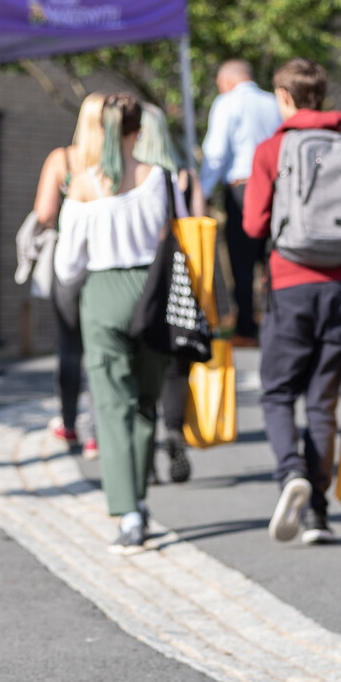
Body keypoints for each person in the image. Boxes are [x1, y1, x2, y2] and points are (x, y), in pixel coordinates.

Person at [243, 58, 341, 545]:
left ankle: (290, 475)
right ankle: (318, 516)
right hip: (338, 287)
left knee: (278, 392)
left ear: (283, 96)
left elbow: (255, 227)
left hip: (288, 284)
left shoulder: (271, 151)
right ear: (321, 96)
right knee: (322, 402)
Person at [54, 94, 170, 552]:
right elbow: (168, 233)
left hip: (103, 293)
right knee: (145, 400)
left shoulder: (83, 184)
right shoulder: (157, 177)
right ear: (138, 131)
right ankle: (139, 497)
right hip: (151, 290)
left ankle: (128, 513)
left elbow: (67, 264)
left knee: (111, 405)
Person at [134, 102, 205, 484]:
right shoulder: (183, 176)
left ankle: (143, 456)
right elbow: (199, 229)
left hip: (139, 278)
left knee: (139, 363)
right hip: (176, 277)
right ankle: (174, 430)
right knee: (176, 362)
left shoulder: (128, 174)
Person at [32, 93, 105, 459]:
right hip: (107, 264)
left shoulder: (63, 159)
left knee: (69, 348)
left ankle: (70, 423)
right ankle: (97, 433)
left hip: (69, 264)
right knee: (100, 349)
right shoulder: (118, 162)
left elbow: (44, 212)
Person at [200, 59, 281, 347]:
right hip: (275, 188)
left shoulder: (227, 103)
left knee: (242, 262)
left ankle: (246, 328)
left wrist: (202, 191)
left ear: (228, 81)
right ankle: (276, 326)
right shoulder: (274, 102)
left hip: (242, 188)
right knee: (272, 259)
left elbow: (216, 153)